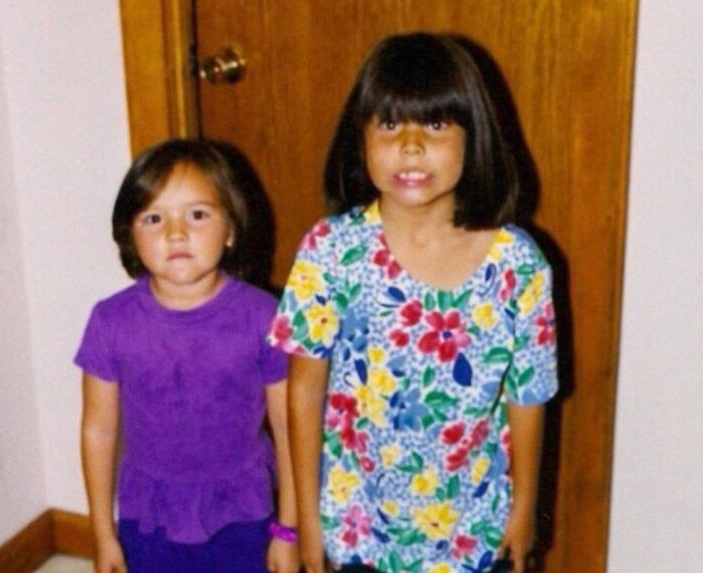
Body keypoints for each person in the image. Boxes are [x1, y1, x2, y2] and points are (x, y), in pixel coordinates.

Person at [269, 32, 557, 573]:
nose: (410, 144)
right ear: (360, 140)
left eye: (436, 124)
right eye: (389, 124)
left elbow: (529, 396)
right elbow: (303, 393)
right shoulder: (330, 251)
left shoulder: (519, 266)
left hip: (474, 527)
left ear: (474, 138)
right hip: (357, 525)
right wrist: (307, 524)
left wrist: (525, 510)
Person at [76, 139, 298, 573]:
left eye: (197, 215)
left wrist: (287, 530)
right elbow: (98, 432)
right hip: (148, 517)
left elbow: (290, 428)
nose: (175, 232)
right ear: (129, 234)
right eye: (154, 218)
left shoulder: (263, 316)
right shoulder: (110, 321)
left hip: (243, 514)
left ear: (231, 229)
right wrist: (103, 536)